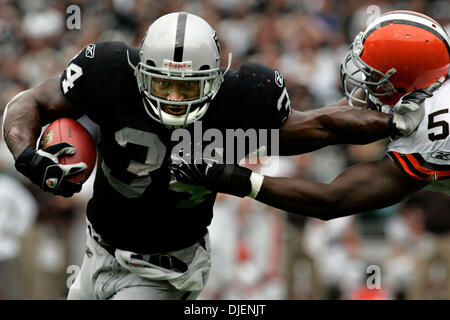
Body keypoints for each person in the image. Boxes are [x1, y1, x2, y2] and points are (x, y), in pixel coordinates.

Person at [2, 11, 432, 300]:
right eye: (162, 84)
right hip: (96, 250)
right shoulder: (108, 69)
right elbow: (29, 103)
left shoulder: (244, 98)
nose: (172, 98)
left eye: (186, 87)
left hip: (162, 271)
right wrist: (26, 154)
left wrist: (393, 122)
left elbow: (319, 126)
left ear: (215, 79)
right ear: (139, 71)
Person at [170, 11, 450, 221]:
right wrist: (229, 142)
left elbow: (334, 201)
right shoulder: (424, 87)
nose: (364, 81)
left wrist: (237, 179)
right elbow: (327, 126)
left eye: (374, 76)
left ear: (407, 82)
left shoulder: (435, 126)